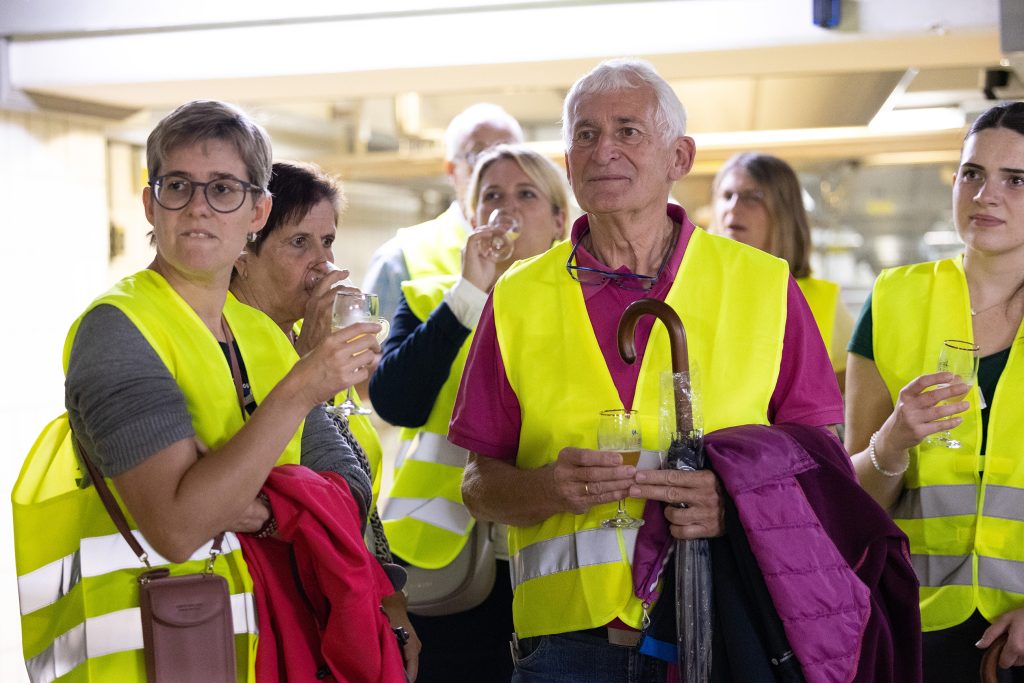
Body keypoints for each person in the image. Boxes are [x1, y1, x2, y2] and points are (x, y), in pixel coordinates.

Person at [449, 59, 843, 682]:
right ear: (569, 161)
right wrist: (548, 487)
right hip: (564, 647)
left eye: (628, 130)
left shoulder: (764, 285)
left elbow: (823, 459)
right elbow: (478, 485)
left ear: (679, 157)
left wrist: (738, 501)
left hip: (726, 625)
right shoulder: (517, 296)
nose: (604, 150)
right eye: (585, 134)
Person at [13, 101, 398, 680]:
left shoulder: (261, 339)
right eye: (177, 186)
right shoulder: (117, 329)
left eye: (223, 188)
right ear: (150, 203)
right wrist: (301, 388)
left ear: (256, 211)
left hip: (259, 650)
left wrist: (263, 507)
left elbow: (331, 490)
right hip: (143, 656)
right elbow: (178, 525)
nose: (197, 206)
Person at [370, 144, 569, 681]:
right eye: (492, 197)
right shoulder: (434, 294)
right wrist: (469, 294)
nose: (507, 209)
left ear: (559, 220)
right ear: (475, 216)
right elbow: (395, 402)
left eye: (526, 194)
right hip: (444, 552)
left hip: (551, 544)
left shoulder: (583, 306)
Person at [845, 101, 1024, 681]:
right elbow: (856, 502)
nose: (984, 195)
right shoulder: (895, 299)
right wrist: (891, 442)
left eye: (1016, 180)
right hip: (916, 621)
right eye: (972, 173)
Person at [230, 160, 420, 679]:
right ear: (242, 253)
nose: (325, 265)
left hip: (334, 615)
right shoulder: (231, 348)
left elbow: (353, 492)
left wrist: (393, 604)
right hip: (265, 625)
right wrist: (309, 365)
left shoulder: (287, 343)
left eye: (328, 242)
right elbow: (309, 480)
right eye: (299, 244)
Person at [362, 103, 524, 325]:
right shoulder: (399, 258)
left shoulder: (556, 254)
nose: (494, 166)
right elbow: (370, 355)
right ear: (451, 171)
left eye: (508, 153)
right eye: (478, 153)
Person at [711, 152, 854, 390]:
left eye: (753, 197)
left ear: (784, 211)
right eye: (727, 196)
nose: (733, 208)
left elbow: (845, 398)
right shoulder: (692, 286)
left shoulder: (822, 301)